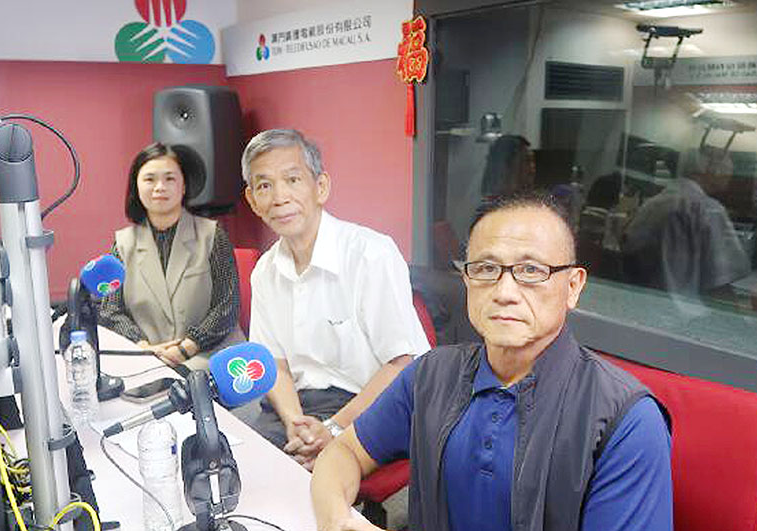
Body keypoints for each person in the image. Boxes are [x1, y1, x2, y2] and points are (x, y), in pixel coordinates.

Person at [311, 195, 673, 531]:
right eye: (486, 268)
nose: (504, 292)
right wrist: (337, 520)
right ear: (467, 279)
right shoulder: (431, 375)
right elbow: (344, 451)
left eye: (531, 270)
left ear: (573, 286)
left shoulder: (627, 420)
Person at [241, 129, 431, 469]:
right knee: (243, 469)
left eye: (293, 180)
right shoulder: (265, 272)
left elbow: (403, 364)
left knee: (311, 482)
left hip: (373, 403)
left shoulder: (371, 254)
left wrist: (333, 429)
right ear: (253, 200)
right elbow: (275, 365)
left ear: (321, 187)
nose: (280, 197)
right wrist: (296, 425)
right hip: (299, 406)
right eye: (265, 186)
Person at [98, 142, 244, 370]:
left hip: (210, 356)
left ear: (183, 186)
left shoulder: (212, 235)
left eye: (170, 179)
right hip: (149, 359)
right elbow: (111, 310)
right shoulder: (122, 245)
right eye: (149, 179)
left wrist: (186, 347)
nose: (160, 187)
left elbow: (227, 305)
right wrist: (144, 347)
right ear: (136, 186)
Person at [622, 147, 750, 297]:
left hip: (642, 300)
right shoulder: (708, 210)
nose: (729, 177)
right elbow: (720, 282)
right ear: (712, 170)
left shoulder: (652, 204)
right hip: (684, 307)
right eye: (728, 171)